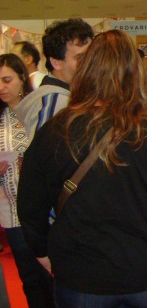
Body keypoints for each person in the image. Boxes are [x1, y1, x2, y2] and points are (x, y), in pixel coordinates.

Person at [17, 30, 147, 307]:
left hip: (83, 275)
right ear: (136, 74)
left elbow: (30, 202)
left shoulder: (57, 129)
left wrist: (42, 250)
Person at [0, 54, 54, 307]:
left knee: (54, 277)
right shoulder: (1, 119)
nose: (1, 87)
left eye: (7, 79)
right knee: (30, 279)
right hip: (12, 212)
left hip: (45, 210)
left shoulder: (40, 109)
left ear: (22, 77)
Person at [16, 18, 94, 139]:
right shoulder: (53, 103)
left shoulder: (70, 97)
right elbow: (44, 156)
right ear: (56, 62)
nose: (91, 62)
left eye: (92, 55)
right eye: (81, 58)